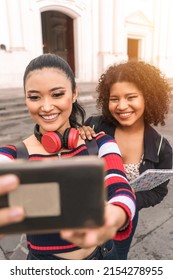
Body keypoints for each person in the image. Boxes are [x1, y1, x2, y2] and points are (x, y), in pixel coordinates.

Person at [0, 53, 135, 260]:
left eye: (57, 94)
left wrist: (116, 215)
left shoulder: (101, 142)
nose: (46, 107)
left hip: (103, 256)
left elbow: (120, 186)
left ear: (74, 94)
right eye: (35, 97)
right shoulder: (13, 154)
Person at [79, 60, 173, 259]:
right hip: (84, 213)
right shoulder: (94, 127)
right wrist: (78, 135)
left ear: (148, 98)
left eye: (131, 97)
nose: (122, 106)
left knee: (115, 262)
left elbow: (158, 191)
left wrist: (130, 198)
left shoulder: (161, 148)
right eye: (115, 99)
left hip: (124, 220)